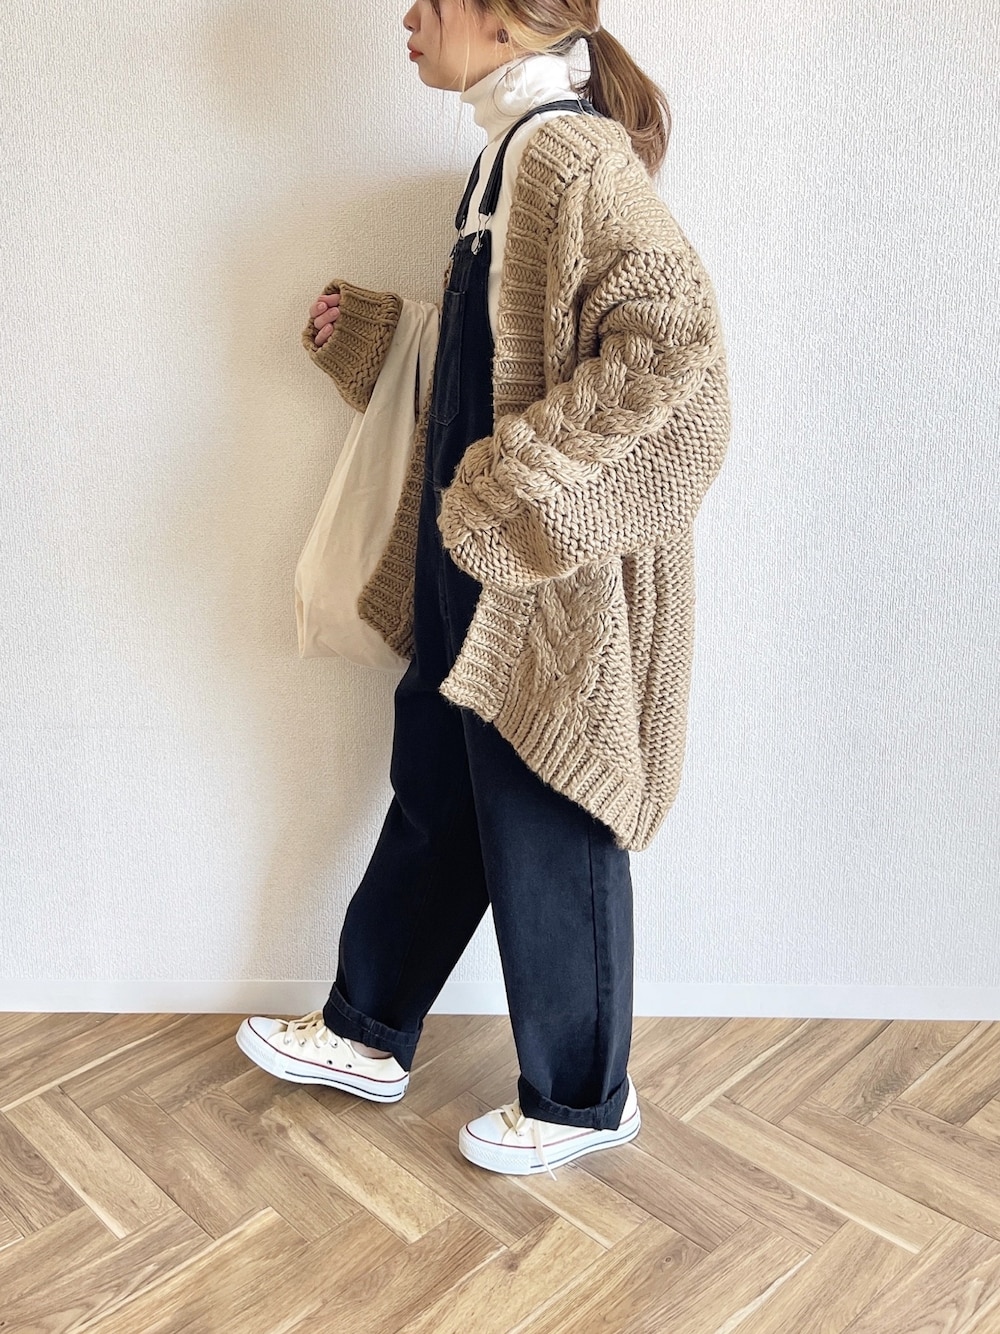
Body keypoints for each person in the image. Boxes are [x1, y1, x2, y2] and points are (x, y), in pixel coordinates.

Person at [236, 0, 731, 1179]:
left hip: (539, 576)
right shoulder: (502, 159)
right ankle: (367, 1027)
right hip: (474, 566)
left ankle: (581, 1095)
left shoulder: (567, 154)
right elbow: (494, 369)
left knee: (548, 809)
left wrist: (516, 485)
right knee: (441, 792)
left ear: (505, 21)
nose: (408, 18)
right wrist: (373, 337)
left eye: (433, 0)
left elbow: (675, 351)